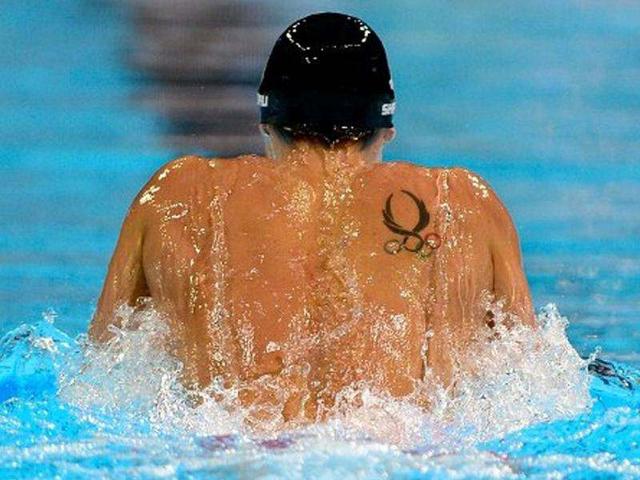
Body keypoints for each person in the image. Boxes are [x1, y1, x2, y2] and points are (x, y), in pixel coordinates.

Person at [89, 12, 534, 422]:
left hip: (231, 451)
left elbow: (101, 372)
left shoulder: (177, 194)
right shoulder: (464, 203)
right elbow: (532, 380)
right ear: (387, 128)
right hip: (405, 455)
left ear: (267, 122)